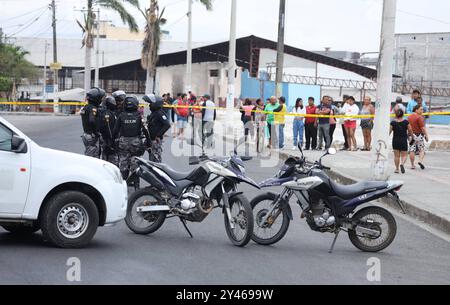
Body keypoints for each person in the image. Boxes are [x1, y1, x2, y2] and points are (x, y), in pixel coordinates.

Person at [114, 96, 149, 183]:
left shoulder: (121, 116)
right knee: (135, 163)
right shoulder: (139, 116)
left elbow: (115, 130)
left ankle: (123, 184)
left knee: (123, 164)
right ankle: (136, 185)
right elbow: (145, 129)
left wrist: (112, 142)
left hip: (123, 143)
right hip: (135, 143)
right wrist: (149, 142)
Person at [80, 87, 105, 158]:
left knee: (89, 153)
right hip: (91, 135)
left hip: (86, 134)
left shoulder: (86, 107)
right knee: (93, 156)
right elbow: (92, 120)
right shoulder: (93, 108)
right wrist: (96, 132)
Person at [145, 95, 171, 163]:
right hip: (151, 139)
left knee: (156, 159)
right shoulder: (154, 113)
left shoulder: (160, 113)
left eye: (151, 103)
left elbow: (167, 125)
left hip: (156, 140)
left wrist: (158, 135)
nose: (150, 105)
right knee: (151, 159)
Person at [390, 109, 413, 174]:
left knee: (396, 156)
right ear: (403, 114)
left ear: (395, 115)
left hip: (395, 140)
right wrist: (411, 137)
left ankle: (397, 169)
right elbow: (410, 130)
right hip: (403, 140)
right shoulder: (406, 122)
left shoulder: (393, 123)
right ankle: (402, 164)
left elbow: (389, 131)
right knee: (404, 155)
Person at [98, 96, 118, 166]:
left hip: (108, 139)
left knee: (107, 156)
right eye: (113, 102)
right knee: (111, 160)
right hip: (107, 139)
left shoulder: (111, 112)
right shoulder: (107, 114)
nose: (114, 104)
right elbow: (108, 127)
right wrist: (111, 141)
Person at [408, 105, 429, 170]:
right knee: (421, 149)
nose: (422, 111)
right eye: (421, 109)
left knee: (412, 150)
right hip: (419, 135)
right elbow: (423, 128)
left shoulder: (409, 117)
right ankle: (420, 161)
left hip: (411, 135)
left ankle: (412, 165)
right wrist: (426, 136)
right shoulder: (420, 117)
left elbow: (408, 126)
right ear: (416, 110)